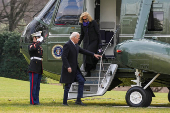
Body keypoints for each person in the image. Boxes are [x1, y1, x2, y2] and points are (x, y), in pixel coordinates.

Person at [60, 32, 101, 106]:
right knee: (68, 85)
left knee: (81, 81)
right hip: (69, 69)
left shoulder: (76, 45)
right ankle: (64, 102)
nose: (79, 39)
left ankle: (78, 100)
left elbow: (84, 51)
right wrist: (68, 66)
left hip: (75, 69)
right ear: (74, 37)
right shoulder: (67, 45)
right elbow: (64, 57)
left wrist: (93, 54)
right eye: (78, 38)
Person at [78, 12, 102, 77]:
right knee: (85, 56)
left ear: (88, 18)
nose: (84, 21)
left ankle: (93, 65)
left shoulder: (93, 22)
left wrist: (100, 43)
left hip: (94, 41)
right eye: (83, 20)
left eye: (85, 19)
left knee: (89, 53)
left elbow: (98, 33)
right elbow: (82, 34)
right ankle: (88, 71)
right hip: (86, 42)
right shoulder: (83, 25)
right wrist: (78, 43)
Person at [28, 31, 44, 105]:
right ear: (34, 38)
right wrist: (38, 42)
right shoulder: (31, 45)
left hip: (39, 67)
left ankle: (36, 101)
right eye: (37, 37)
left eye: (39, 37)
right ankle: (32, 101)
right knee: (33, 86)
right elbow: (33, 49)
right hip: (34, 67)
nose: (39, 38)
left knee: (37, 86)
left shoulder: (39, 46)